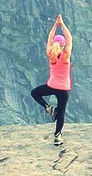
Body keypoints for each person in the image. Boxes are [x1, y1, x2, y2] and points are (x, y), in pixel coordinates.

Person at [31, 14, 72, 146]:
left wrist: (55, 25)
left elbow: (49, 38)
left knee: (35, 92)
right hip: (64, 89)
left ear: (54, 43)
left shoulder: (50, 54)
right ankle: (57, 136)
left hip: (52, 85)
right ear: (63, 44)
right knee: (61, 111)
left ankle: (47, 107)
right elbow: (70, 38)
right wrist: (62, 24)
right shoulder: (65, 56)